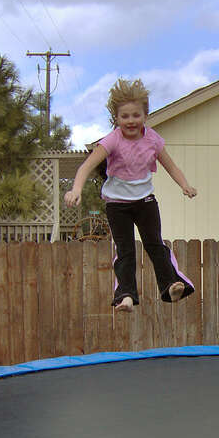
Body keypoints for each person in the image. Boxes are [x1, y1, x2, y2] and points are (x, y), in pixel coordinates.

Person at [64, 78, 196, 312]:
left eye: (136, 115)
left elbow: (171, 166)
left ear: (145, 115)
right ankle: (125, 296)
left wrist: (184, 185)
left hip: (145, 202)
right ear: (116, 118)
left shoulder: (153, 140)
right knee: (125, 250)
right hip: (117, 205)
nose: (131, 121)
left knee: (155, 243)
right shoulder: (112, 140)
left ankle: (172, 285)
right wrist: (76, 190)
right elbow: (86, 166)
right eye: (124, 117)